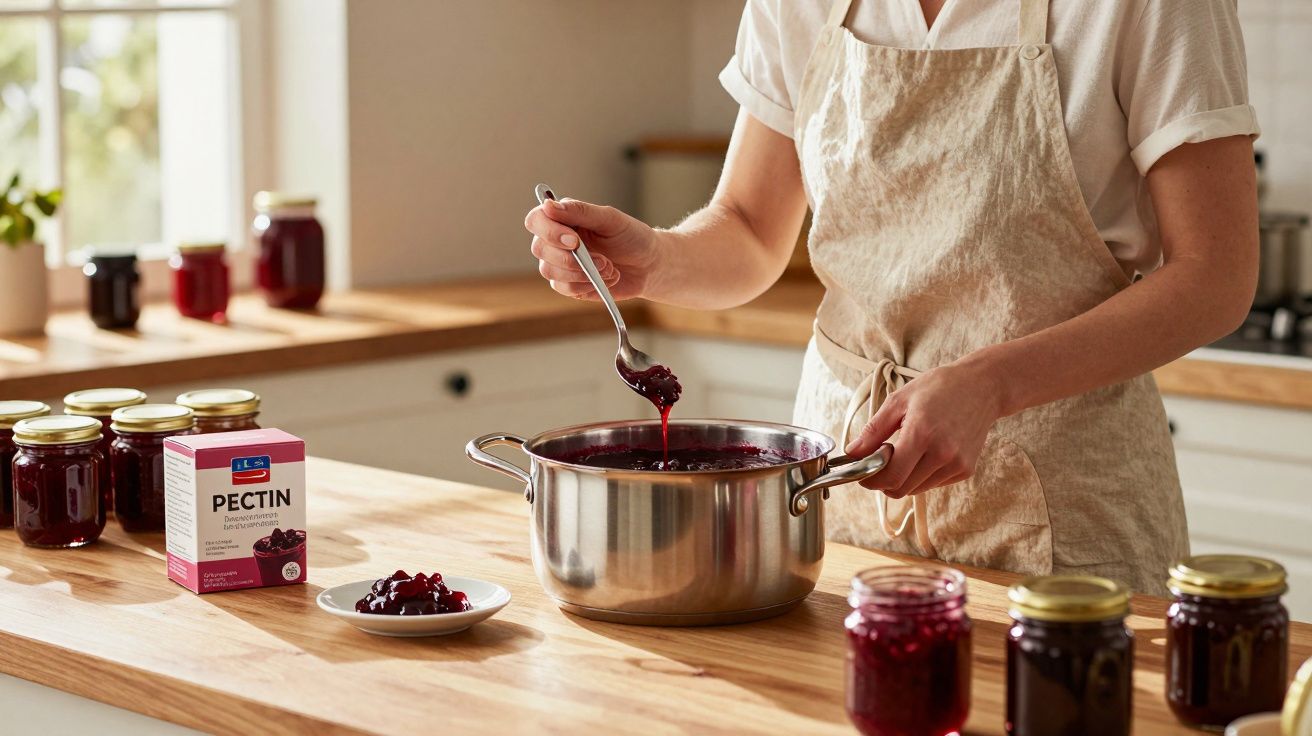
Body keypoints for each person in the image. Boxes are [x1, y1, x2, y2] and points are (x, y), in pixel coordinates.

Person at [523, 0, 1259, 594]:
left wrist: (991, 382)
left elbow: (1216, 276)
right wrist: (654, 260)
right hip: (845, 483)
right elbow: (749, 227)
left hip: (1066, 495)